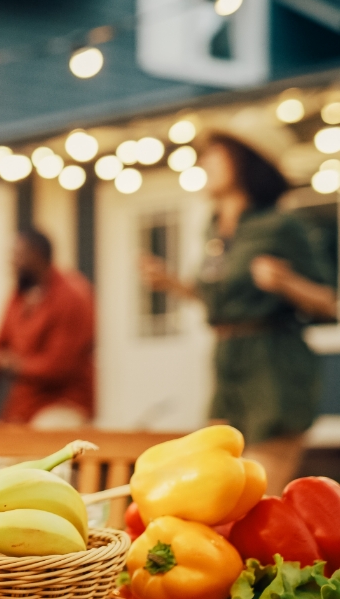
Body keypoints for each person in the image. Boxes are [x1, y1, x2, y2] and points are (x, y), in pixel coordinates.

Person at [143, 131, 335, 490]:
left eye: (216, 154)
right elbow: (221, 299)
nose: (205, 162)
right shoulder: (215, 228)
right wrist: (172, 284)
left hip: (273, 365)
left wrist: (287, 282)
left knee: (255, 491)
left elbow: (328, 300)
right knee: (214, 482)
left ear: (246, 162)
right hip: (227, 361)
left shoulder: (280, 225)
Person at [0, 229, 95, 427]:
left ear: (37, 255)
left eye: (17, 255)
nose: (11, 262)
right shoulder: (19, 297)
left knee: (40, 443)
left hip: (64, 405)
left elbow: (60, 367)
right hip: (23, 406)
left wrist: (14, 365)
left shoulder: (72, 296)